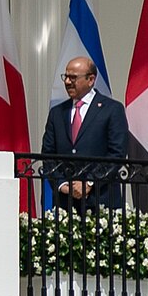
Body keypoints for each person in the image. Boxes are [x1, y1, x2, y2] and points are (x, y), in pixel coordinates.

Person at [40, 56, 127, 208]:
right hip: (65, 203)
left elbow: (117, 153)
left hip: (101, 200)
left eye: (73, 77)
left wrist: (89, 182)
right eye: (65, 77)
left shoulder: (112, 109)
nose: (67, 82)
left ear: (91, 80)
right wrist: (63, 184)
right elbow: (48, 154)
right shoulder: (57, 113)